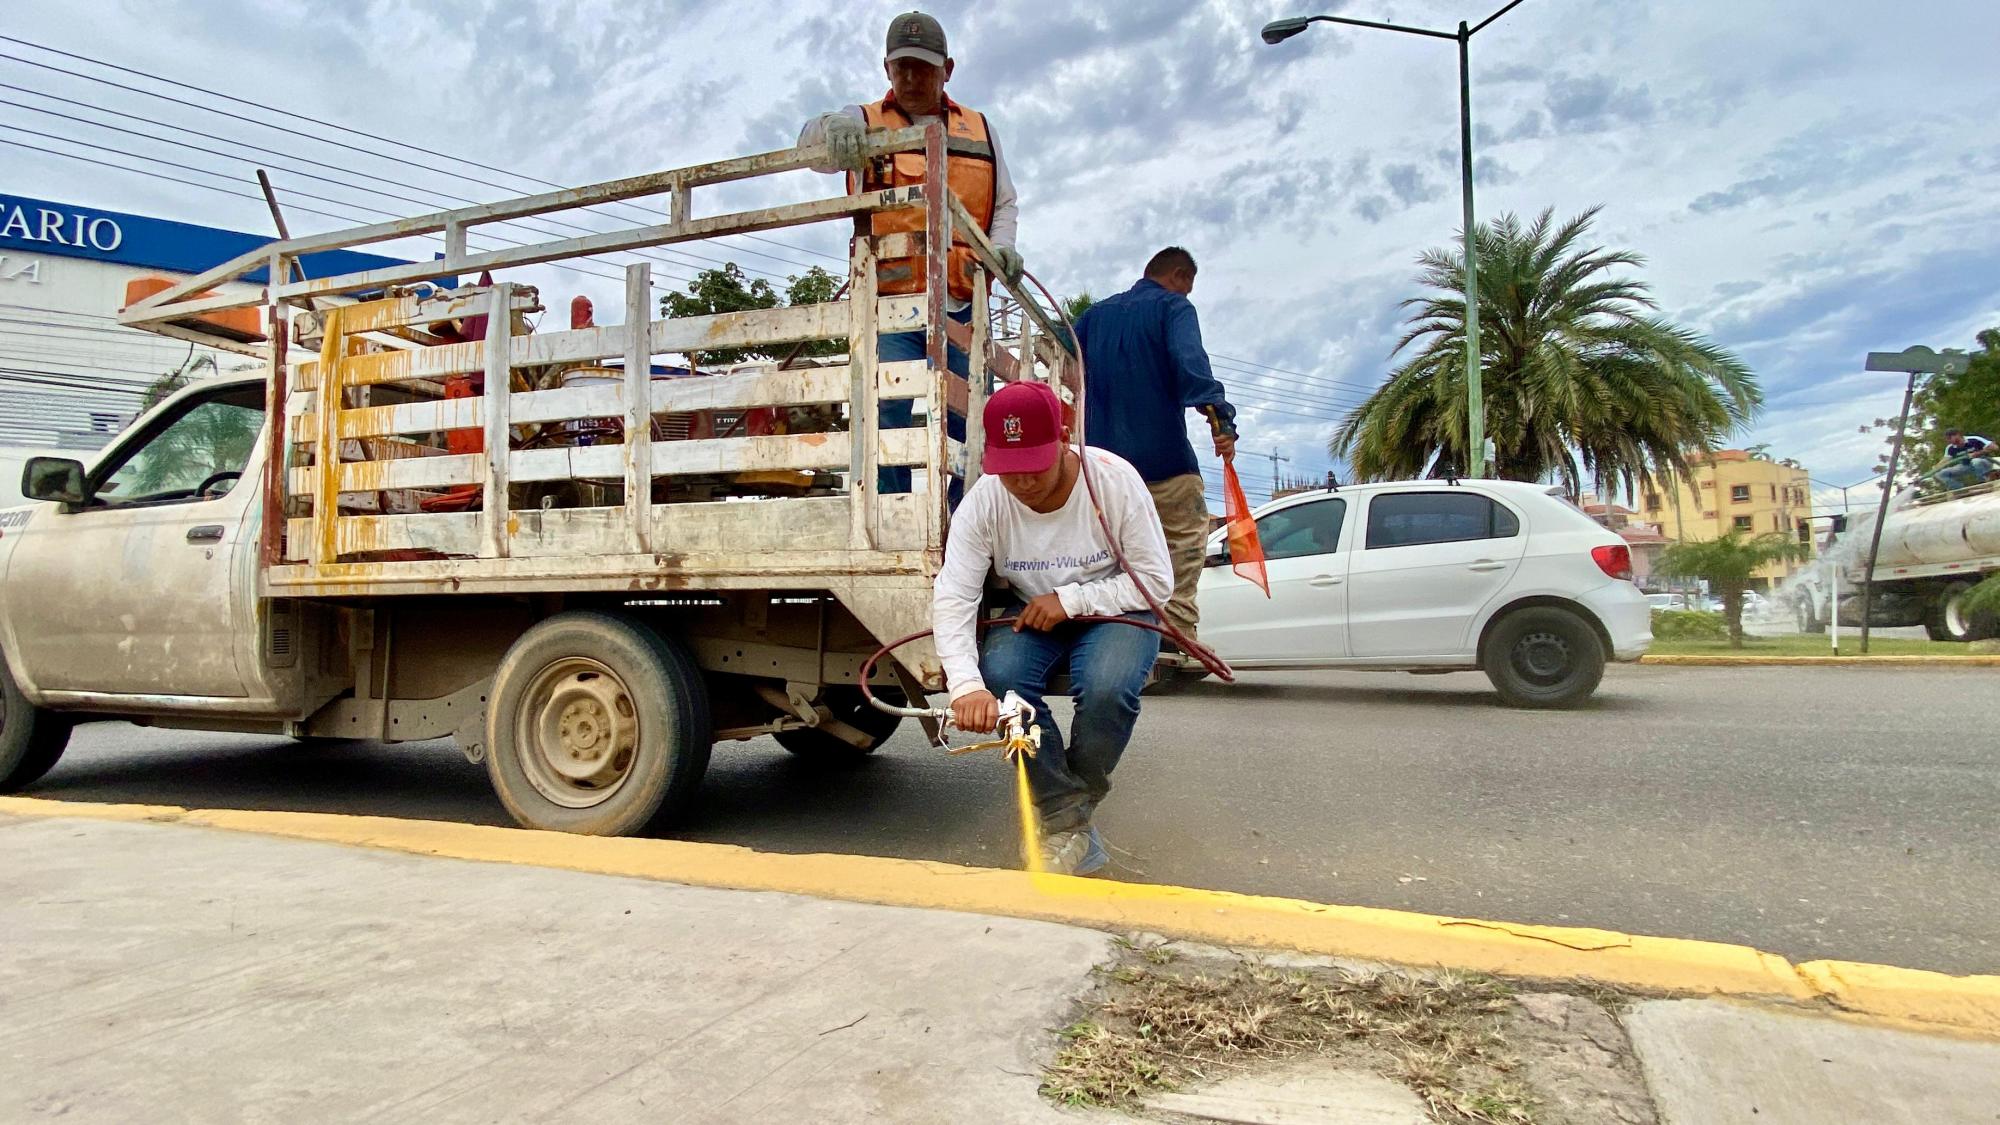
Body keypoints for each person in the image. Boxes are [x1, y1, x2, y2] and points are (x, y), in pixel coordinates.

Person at [933, 379, 1172, 876]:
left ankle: (1066, 816)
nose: (1021, 483)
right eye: (1009, 470)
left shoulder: (1113, 480)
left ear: (1063, 438)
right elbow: (955, 594)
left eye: (1034, 465)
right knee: (1002, 678)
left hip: (1117, 606)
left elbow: (1155, 581)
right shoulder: (984, 502)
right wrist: (965, 685)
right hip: (1031, 611)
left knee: (1107, 687)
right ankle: (1069, 816)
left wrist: (1071, 599)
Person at [799, 10, 1022, 494]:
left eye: (922, 67)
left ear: (948, 69)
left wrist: (1002, 251)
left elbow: (1003, 202)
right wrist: (832, 126)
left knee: (970, 417)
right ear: (886, 68)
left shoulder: (981, 130)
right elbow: (808, 146)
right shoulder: (863, 121)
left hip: (962, 304)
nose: (910, 77)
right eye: (901, 67)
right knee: (887, 413)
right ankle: (894, 516)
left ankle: (967, 524)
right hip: (889, 307)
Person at [1072, 247, 1238, 647]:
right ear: (1179, 276)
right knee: (1183, 537)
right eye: (1189, 287)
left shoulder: (1093, 316)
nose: (1188, 295)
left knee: (1113, 549)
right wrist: (1221, 418)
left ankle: (1115, 629)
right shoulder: (1174, 309)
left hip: (1102, 467)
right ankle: (1176, 628)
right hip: (1162, 459)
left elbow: (1063, 366)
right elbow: (1190, 364)